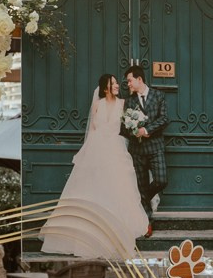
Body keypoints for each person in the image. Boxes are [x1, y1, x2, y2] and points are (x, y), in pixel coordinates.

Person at [39, 73, 148, 258]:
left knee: (115, 189)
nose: (116, 85)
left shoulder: (123, 104)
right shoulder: (97, 105)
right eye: (113, 83)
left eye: (116, 83)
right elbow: (92, 131)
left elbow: (128, 125)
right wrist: (86, 154)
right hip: (96, 150)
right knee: (92, 190)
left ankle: (115, 233)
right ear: (105, 87)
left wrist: (135, 125)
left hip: (115, 149)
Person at [122, 63, 168, 237]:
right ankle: (147, 224)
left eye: (129, 81)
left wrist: (146, 130)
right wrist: (134, 129)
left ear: (139, 79)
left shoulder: (158, 95)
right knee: (140, 185)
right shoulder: (129, 100)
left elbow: (164, 119)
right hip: (137, 150)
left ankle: (142, 198)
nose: (128, 85)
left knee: (162, 180)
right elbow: (124, 126)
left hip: (155, 147)